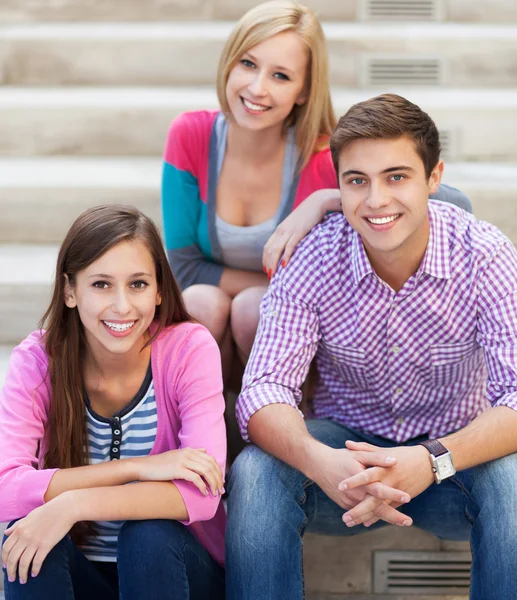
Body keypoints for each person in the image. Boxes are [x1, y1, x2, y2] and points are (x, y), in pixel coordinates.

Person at [226, 94, 517, 600]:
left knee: (512, 481)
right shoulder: (314, 257)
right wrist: (319, 460)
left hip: (452, 465)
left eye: (397, 176)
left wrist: (430, 461)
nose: (376, 200)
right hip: (344, 468)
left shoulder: (484, 255)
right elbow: (263, 389)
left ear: (434, 178)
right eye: (357, 181)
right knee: (255, 471)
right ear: (337, 187)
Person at [160, 0, 470, 384]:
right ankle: (210, 423)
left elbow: (453, 201)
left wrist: (322, 199)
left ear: (304, 90)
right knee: (200, 302)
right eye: (248, 64)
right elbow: (184, 267)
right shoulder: (190, 134)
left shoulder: (323, 157)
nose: (257, 88)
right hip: (220, 315)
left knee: (254, 308)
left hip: (294, 330)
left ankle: (280, 417)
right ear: (229, 63)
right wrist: (286, 285)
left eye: (281, 76)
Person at [0, 205, 226, 599]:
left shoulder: (189, 348)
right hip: (81, 574)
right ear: (70, 291)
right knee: (29, 533)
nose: (121, 306)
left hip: (174, 571)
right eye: (101, 284)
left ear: (159, 290)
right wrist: (139, 467)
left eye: (137, 284)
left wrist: (72, 505)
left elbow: (201, 494)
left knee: (150, 534)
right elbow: (6, 488)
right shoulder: (38, 361)